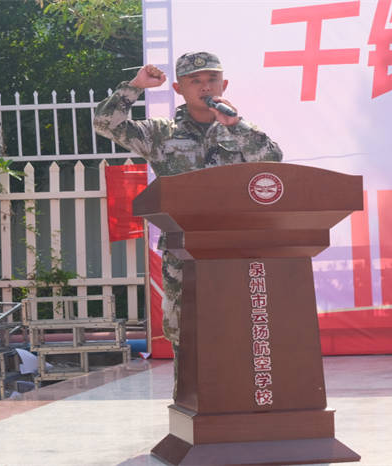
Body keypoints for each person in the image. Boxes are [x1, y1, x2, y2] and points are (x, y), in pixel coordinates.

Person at [93, 52, 283, 394]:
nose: (205, 87)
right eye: (195, 81)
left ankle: (242, 401)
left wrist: (236, 125)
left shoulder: (239, 129)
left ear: (224, 85)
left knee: (240, 326)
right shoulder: (159, 133)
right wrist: (136, 86)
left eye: (211, 80)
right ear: (179, 89)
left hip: (234, 250)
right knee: (184, 330)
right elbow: (105, 124)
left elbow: (272, 160)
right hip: (182, 251)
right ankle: (191, 403)